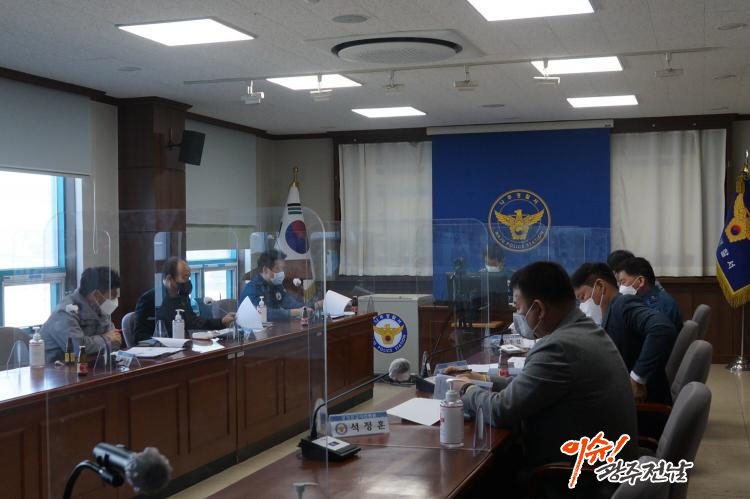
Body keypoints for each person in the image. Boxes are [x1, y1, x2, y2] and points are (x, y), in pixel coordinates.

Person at [450, 261, 639, 497]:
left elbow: (501, 410)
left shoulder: (558, 347)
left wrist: (466, 390)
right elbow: (531, 386)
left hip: (576, 481)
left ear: (538, 308)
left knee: (479, 479)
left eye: (518, 307)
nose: (517, 315)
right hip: (603, 468)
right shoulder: (584, 329)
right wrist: (481, 378)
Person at [571, 262, 677, 404]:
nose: (582, 305)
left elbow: (662, 328)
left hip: (643, 406)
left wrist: (637, 378)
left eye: (583, 297)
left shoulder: (622, 304)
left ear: (600, 286)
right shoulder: (611, 312)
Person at [133, 257, 234, 341]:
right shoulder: (149, 299)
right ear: (169, 279)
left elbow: (194, 322)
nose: (188, 281)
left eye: (189, 277)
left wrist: (221, 322)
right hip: (159, 353)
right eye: (185, 277)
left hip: (182, 348)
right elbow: (139, 336)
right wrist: (163, 343)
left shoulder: (182, 296)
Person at [40, 266, 123, 363]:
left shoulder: (99, 308)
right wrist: (107, 339)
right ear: (96, 295)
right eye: (112, 296)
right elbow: (78, 348)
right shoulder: (65, 312)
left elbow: (115, 340)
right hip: (56, 367)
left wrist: (107, 340)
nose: (114, 300)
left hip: (89, 364)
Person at [615, 257, 683, 332]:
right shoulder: (647, 299)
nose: (621, 287)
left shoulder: (656, 306)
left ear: (640, 281)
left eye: (623, 282)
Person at [238, 250, 305, 321]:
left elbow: (289, 302)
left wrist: (306, 308)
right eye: (277, 268)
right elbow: (264, 314)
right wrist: (293, 312)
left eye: (282, 268)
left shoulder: (275, 285)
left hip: (272, 326)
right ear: (265, 270)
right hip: (253, 327)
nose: (281, 272)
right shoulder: (252, 289)